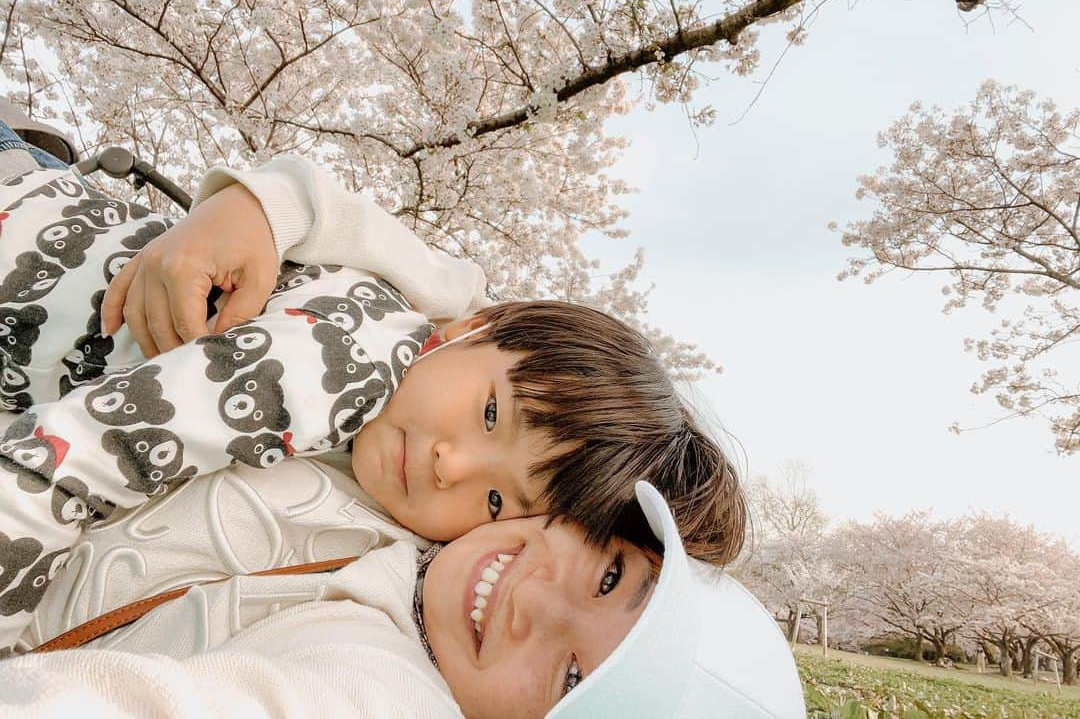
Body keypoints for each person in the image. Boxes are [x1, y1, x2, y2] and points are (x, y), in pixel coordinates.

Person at [0, 149, 744, 651]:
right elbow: (73, 462)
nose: (452, 466)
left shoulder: (415, 398)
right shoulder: (346, 363)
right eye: (491, 415)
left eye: (495, 503)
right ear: (471, 326)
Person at [0, 467, 806, 718]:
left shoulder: (384, 683)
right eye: (609, 578)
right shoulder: (462, 482)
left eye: (571, 680)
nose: (535, 603)